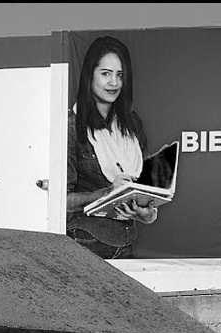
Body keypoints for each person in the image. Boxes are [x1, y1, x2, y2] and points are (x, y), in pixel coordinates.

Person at [66, 36, 158, 259]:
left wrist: (147, 213)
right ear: (90, 75)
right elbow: (61, 200)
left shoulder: (132, 123)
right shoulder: (72, 125)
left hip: (126, 241)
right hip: (85, 242)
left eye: (120, 75)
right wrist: (107, 193)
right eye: (106, 73)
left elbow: (146, 187)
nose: (114, 83)